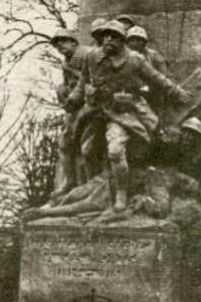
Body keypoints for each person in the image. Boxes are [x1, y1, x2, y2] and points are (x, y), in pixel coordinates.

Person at [66, 20, 191, 211]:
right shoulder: (92, 56)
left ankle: (121, 194)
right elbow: (83, 80)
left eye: (114, 36)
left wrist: (177, 92)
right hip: (99, 111)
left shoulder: (134, 60)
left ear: (123, 40)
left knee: (116, 151)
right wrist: (74, 98)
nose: (108, 39)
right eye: (106, 35)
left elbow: (158, 79)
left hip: (125, 112)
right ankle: (94, 189)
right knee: (86, 149)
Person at [49, 30, 90, 195]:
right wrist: (63, 92)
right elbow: (68, 84)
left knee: (87, 147)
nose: (60, 47)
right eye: (58, 46)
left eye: (63, 42)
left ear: (73, 42)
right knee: (65, 144)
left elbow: (93, 79)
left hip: (92, 105)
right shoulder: (67, 60)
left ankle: (87, 184)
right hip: (75, 106)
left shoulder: (87, 55)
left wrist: (73, 74)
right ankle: (70, 182)